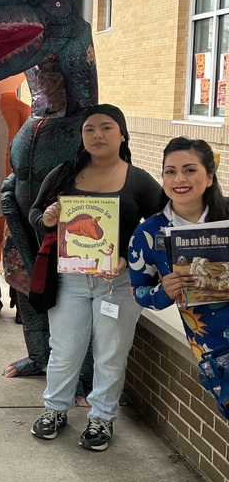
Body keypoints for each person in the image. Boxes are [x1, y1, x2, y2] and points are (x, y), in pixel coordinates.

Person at [28, 105, 162, 450]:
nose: (97, 135)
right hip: (70, 280)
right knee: (64, 350)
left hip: (119, 283)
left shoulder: (139, 180)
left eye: (106, 127)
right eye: (89, 129)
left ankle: (102, 417)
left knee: (110, 353)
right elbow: (35, 212)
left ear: (122, 135)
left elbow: (161, 229)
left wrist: (130, 258)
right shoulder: (64, 174)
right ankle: (55, 409)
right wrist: (47, 218)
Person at [129, 138, 229, 420]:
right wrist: (164, 291)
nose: (179, 179)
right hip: (214, 348)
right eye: (170, 171)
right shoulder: (148, 234)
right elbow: (138, 291)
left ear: (209, 177)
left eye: (189, 170)